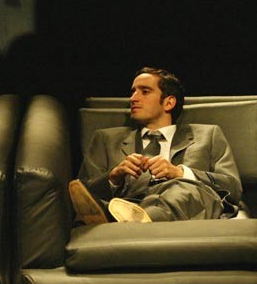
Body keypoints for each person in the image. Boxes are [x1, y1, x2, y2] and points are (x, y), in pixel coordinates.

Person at [70, 67, 242, 224]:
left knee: (183, 188)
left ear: (169, 102)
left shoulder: (208, 135)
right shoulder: (106, 139)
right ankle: (130, 216)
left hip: (186, 202)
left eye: (145, 91)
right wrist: (113, 177)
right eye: (133, 92)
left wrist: (181, 173)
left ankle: (139, 219)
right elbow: (82, 193)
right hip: (126, 204)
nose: (133, 98)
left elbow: (233, 188)